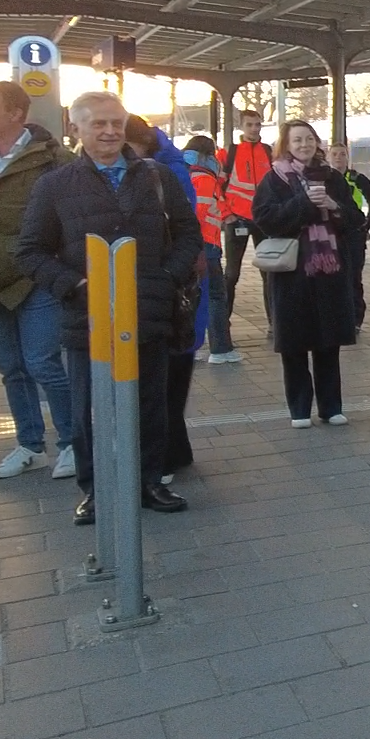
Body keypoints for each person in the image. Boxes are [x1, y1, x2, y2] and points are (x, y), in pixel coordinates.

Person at [15, 92, 197, 523]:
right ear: (76, 129)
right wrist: (76, 285)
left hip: (148, 313)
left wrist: (165, 277)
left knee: (151, 403)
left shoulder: (156, 178)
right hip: (89, 316)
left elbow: (189, 235)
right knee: (89, 409)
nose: (111, 131)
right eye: (99, 124)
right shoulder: (55, 185)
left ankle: (149, 481)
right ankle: (96, 490)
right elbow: (30, 251)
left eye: (117, 122)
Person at [0, 80, 77, 480]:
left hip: (36, 280)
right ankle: (30, 445)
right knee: (12, 369)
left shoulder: (54, 161)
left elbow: (72, 220)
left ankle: (72, 442)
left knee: (43, 363)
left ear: (16, 114)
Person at [252, 121, 364, 429]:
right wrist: (303, 203)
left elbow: (356, 218)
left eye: (309, 138)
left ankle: (331, 407)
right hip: (292, 274)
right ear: (286, 145)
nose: (304, 144)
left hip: (330, 273)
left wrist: (334, 206)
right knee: (294, 345)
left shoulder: (333, 178)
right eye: (297, 140)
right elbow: (265, 219)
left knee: (329, 344)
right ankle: (299, 409)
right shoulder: (274, 179)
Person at [123, 118, 208, 485]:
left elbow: (183, 232)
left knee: (164, 379)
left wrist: (165, 276)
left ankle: (166, 457)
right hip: (172, 290)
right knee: (172, 377)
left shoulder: (163, 174)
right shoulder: (173, 166)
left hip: (169, 292)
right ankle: (177, 450)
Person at [182, 136, 236, 365]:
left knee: (195, 297)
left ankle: (191, 346)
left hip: (197, 246)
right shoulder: (203, 178)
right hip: (206, 246)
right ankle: (220, 349)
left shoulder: (187, 174)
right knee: (214, 297)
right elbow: (200, 213)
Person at [219, 108, 273, 331]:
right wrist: (227, 215)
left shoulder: (269, 152)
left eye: (257, 125)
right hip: (237, 219)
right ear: (241, 126)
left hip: (263, 219)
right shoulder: (228, 153)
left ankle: (275, 323)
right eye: (249, 125)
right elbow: (216, 187)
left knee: (269, 272)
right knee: (231, 273)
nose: (254, 129)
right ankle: (222, 321)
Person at [328, 144, 370, 330]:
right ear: (328, 156)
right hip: (332, 235)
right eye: (334, 154)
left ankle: (355, 319)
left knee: (353, 278)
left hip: (353, 235)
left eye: (342, 154)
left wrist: (366, 227)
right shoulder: (325, 179)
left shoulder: (357, 179)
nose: (338, 158)